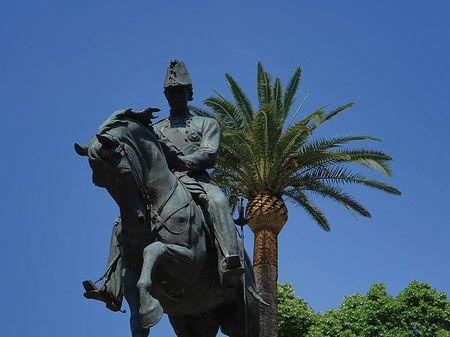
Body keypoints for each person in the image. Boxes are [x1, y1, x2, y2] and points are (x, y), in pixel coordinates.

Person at [83, 60, 243, 312]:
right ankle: (112, 287)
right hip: (161, 187)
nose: (175, 96)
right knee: (120, 223)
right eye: (171, 92)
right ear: (165, 96)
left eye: (180, 91)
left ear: (190, 94)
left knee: (218, 202)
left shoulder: (206, 124)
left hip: (196, 180)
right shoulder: (155, 129)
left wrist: (182, 161)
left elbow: (209, 155)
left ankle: (229, 260)